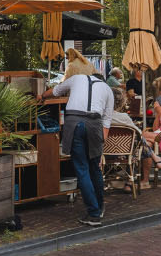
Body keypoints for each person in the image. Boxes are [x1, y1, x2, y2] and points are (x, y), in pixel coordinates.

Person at [48, 51, 113, 226]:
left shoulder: (78, 78)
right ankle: (98, 208)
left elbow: (55, 91)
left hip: (75, 122)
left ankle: (93, 214)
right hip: (95, 125)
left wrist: (41, 96)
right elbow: (106, 122)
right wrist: (101, 149)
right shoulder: (108, 90)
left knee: (82, 169)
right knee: (95, 168)